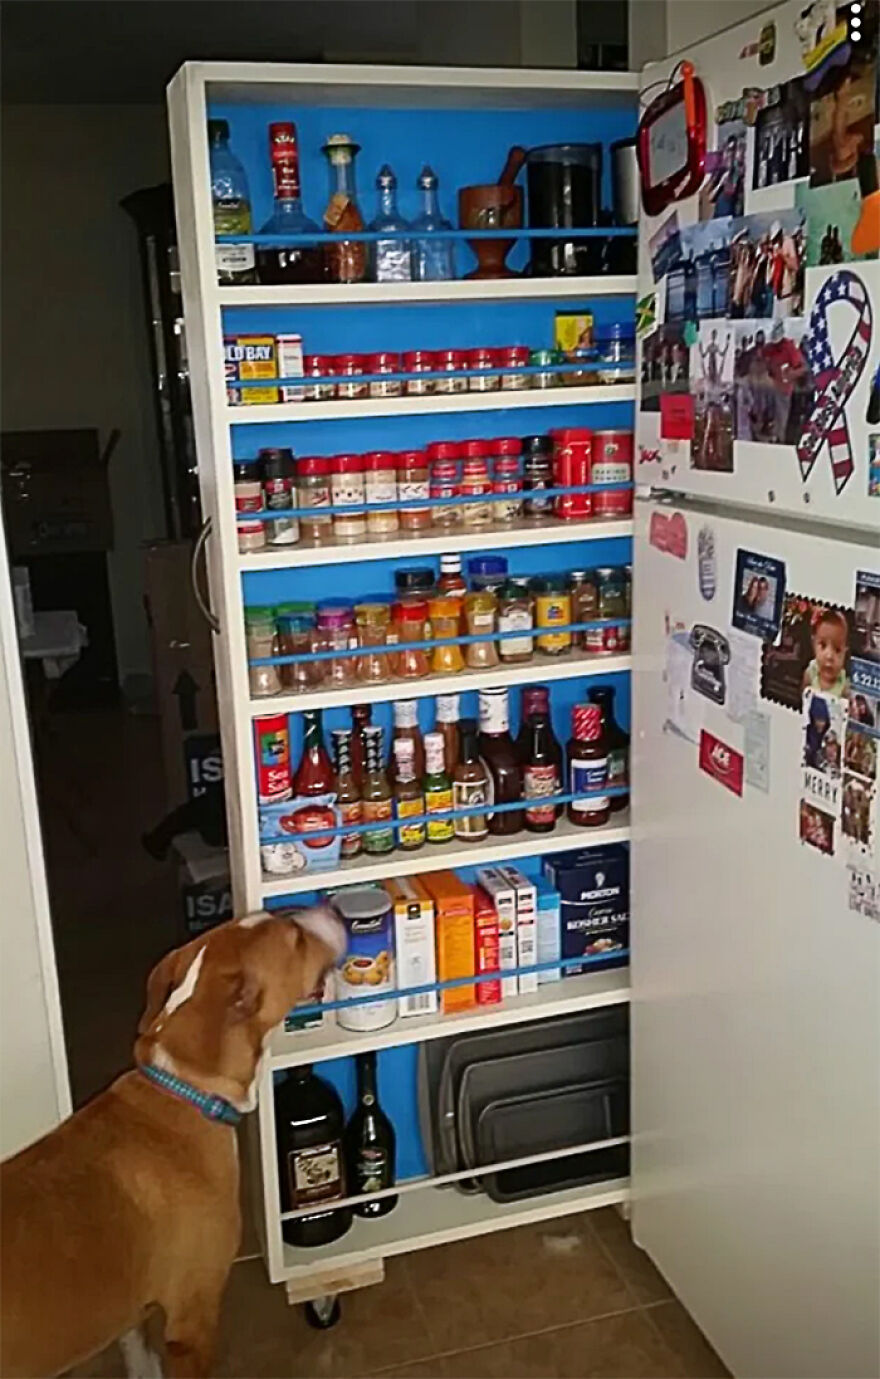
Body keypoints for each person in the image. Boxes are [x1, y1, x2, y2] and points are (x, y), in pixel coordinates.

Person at [764, 320, 810, 442]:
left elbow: (802, 368)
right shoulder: (768, 349)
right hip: (768, 388)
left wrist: (791, 375)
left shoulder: (789, 348)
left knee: (781, 417)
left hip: (784, 390)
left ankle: (779, 439)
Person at [802, 607, 850, 698]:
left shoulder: (844, 684)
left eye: (837, 650)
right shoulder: (811, 672)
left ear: (845, 652)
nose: (829, 656)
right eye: (823, 646)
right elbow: (803, 695)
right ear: (814, 644)